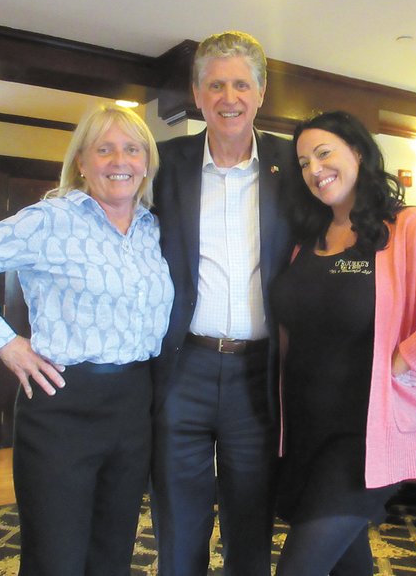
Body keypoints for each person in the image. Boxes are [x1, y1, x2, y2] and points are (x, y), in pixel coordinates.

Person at [0, 104, 173, 576]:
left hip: (134, 406)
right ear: (81, 161)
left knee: (113, 551)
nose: (119, 160)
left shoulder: (153, 229)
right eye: (104, 149)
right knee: (55, 558)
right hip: (62, 405)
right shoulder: (49, 220)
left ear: (146, 162)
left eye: (132, 149)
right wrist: (4, 342)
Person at [270, 111, 416, 576]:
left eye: (324, 153)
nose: (314, 169)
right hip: (305, 427)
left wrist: (410, 355)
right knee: (347, 563)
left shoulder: (405, 228)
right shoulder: (306, 238)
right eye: (303, 162)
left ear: (357, 152)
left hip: (364, 431)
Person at [150, 31, 295, 576]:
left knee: (251, 523)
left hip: (259, 376)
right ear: (196, 92)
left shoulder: (294, 166)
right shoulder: (164, 165)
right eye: (215, 85)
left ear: (261, 93)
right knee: (179, 523)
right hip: (182, 369)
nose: (228, 96)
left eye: (240, 84)